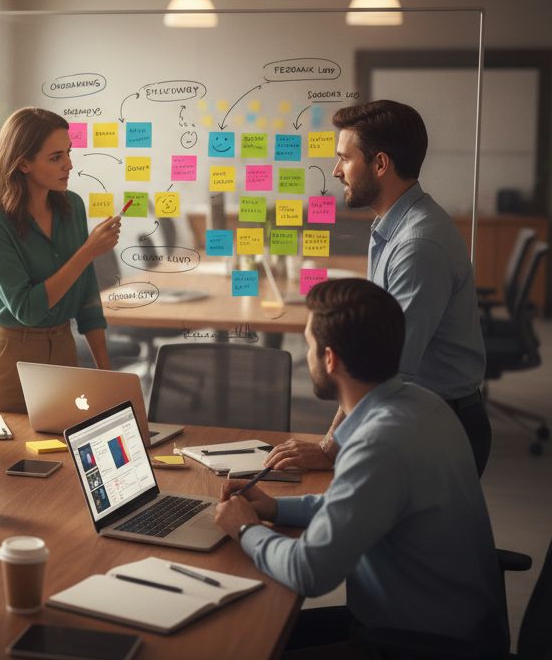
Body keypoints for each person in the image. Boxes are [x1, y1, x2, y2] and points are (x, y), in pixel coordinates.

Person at [214, 279, 508, 655]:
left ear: (330, 359)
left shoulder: (376, 444)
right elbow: (358, 502)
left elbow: (309, 572)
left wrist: (245, 528)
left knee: (241, 645)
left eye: (309, 345)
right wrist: (275, 508)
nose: (308, 355)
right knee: (254, 633)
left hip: (420, 645)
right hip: (443, 623)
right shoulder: (424, 404)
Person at [267, 99, 491, 476]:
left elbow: (388, 366)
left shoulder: (418, 246)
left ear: (381, 164)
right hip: (413, 416)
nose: (337, 171)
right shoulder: (395, 227)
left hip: (437, 430)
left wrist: (330, 449)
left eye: (345, 158)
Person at [0, 107, 120, 412]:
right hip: (8, 362)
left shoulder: (72, 207)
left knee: (63, 441)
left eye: (68, 152)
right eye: (55, 157)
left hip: (63, 351)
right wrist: (87, 252)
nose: (69, 164)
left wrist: (106, 372)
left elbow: (87, 296)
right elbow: (27, 309)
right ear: (23, 163)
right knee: (3, 445)